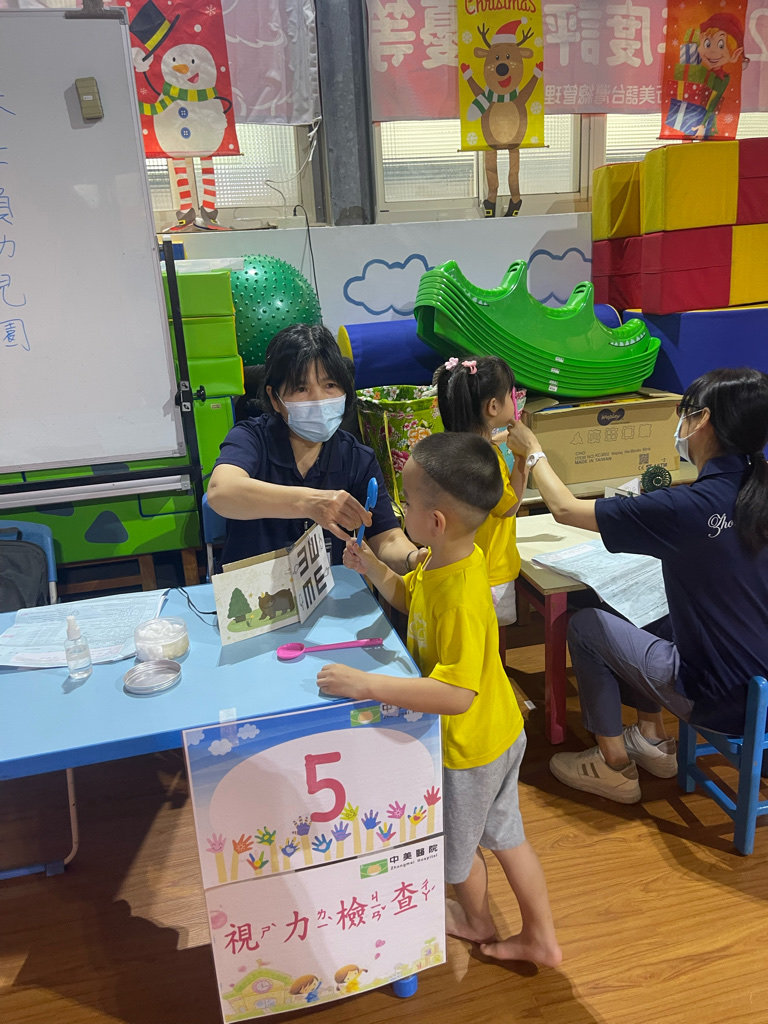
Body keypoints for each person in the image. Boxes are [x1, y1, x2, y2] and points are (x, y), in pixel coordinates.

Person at [317, 432, 561, 966]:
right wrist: (373, 567)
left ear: (436, 521)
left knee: (457, 850)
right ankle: (541, 938)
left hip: (469, 750)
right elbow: (413, 600)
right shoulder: (443, 559)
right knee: (507, 837)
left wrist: (364, 685)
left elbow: (455, 693)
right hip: (498, 733)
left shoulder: (462, 595)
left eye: (406, 501)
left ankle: (476, 921)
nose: (399, 509)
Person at [504, 367, 768, 804]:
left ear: (702, 421)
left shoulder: (685, 507)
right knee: (651, 613)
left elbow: (566, 510)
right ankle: (651, 737)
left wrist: (533, 452)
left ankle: (612, 765)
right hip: (759, 683)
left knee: (586, 626)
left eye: (684, 414)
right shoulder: (751, 490)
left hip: (723, 699)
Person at [208, 324, 420, 572]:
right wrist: (311, 503)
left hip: (328, 590)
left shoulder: (357, 457)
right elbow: (221, 492)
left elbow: (388, 539)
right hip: (252, 590)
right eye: (301, 388)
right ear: (275, 398)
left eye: (330, 385)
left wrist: (413, 559)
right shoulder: (251, 438)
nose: (319, 399)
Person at [436, 355, 528, 629]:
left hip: (454, 565)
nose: (514, 400)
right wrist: (523, 458)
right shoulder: (488, 458)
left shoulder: (451, 447)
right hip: (490, 570)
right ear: (493, 406)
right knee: (488, 637)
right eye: (510, 395)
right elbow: (509, 507)